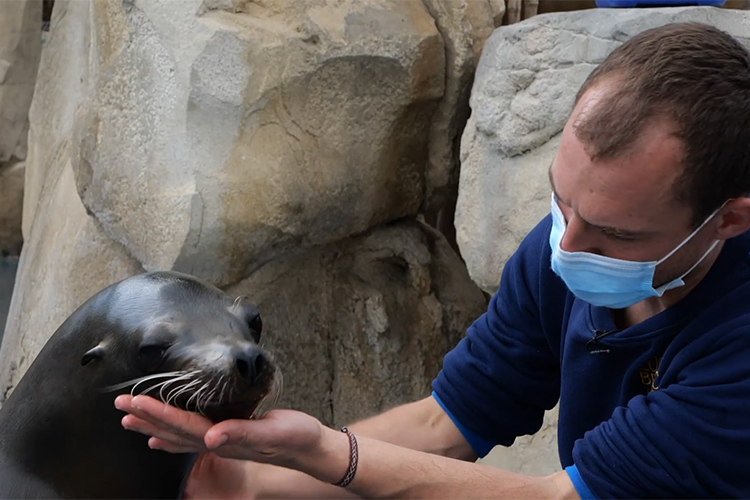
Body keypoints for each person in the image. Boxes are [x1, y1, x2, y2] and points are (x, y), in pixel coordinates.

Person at [115, 21, 750, 499]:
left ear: (729, 218)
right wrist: (248, 478)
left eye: (615, 232)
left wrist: (323, 452)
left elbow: (559, 497)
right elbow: (447, 420)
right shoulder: (561, 249)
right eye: (560, 200)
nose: (566, 246)